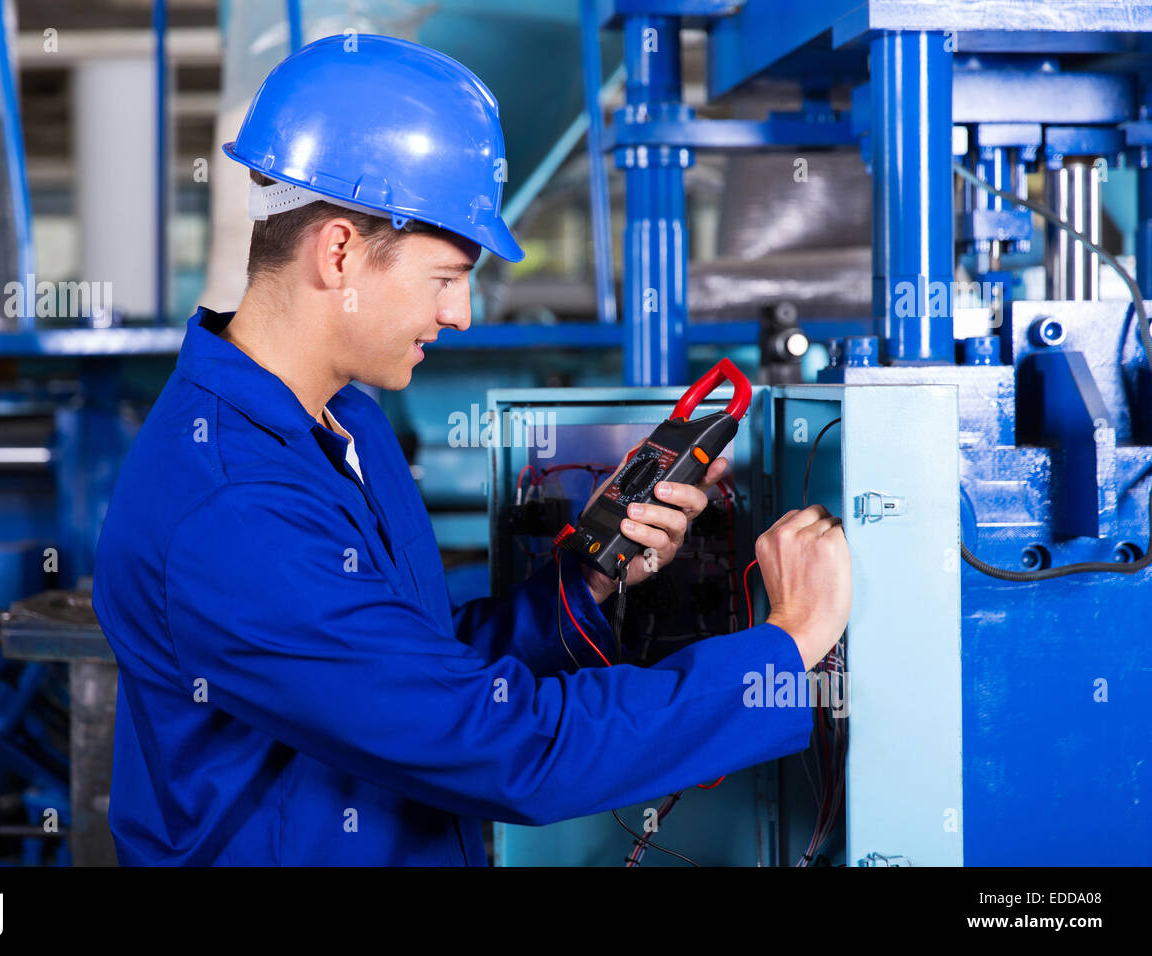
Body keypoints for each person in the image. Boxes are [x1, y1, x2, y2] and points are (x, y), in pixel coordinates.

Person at [92, 33, 851, 865]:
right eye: (446, 276)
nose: (460, 314)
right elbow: (502, 746)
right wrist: (789, 644)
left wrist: (589, 581)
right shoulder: (229, 505)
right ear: (338, 250)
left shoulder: (345, 418)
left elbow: (409, 665)